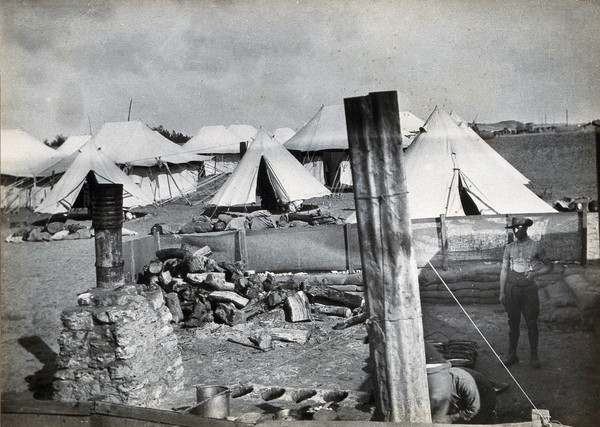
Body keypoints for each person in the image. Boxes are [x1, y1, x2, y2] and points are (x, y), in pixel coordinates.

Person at [499, 216, 552, 369]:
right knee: (513, 323)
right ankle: (512, 354)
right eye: (514, 228)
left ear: (526, 228)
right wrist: (502, 291)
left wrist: (536, 274)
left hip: (529, 290)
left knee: (532, 323)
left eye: (519, 228)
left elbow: (549, 266)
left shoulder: (536, 247)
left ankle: (534, 355)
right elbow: (503, 270)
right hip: (512, 289)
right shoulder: (509, 248)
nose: (516, 231)